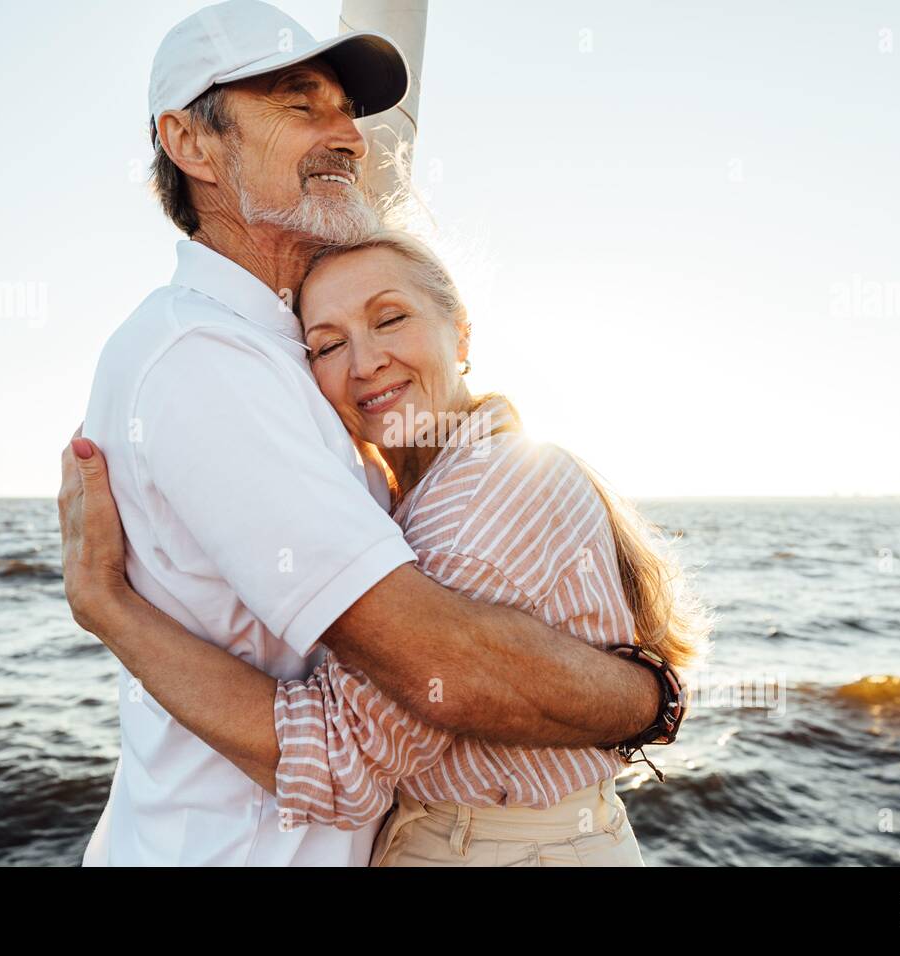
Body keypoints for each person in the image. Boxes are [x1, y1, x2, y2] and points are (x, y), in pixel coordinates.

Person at [68, 0, 670, 866]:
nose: (348, 134)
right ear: (190, 143)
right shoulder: (204, 359)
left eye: (347, 109)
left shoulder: (292, 340)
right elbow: (444, 665)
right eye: (300, 104)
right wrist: (650, 701)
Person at [62, 230, 713, 865]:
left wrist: (108, 608)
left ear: (460, 333)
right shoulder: (417, 488)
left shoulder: (482, 492)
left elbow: (337, 766)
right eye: (327, 345)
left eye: (390, 318)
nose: (365, 361)